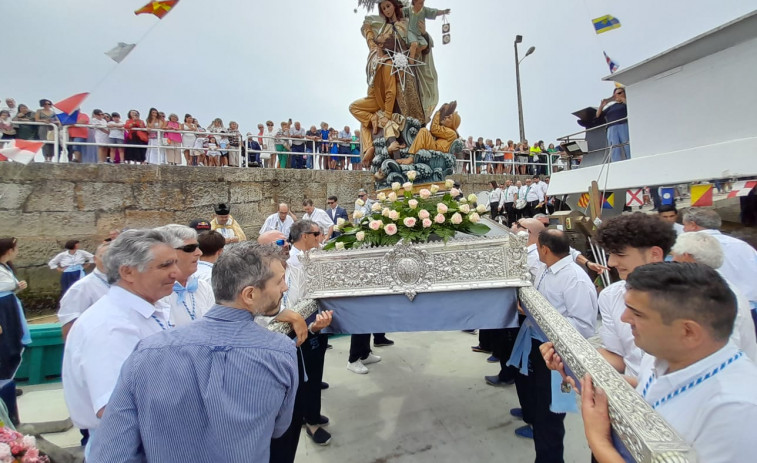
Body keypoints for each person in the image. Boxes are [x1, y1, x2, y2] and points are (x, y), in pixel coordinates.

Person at [89, 243, 300, 462]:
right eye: (279, 281)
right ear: (250, 294)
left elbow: (111, 452)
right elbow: (279, 428)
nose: (284, 288)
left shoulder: (147, 352)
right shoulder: (279, 352)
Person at [544, 263, 757, 463]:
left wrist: (598, 440)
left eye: (637, 313)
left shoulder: (738, 411)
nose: (624, 319)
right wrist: (582, 376)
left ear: (688, 331)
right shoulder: (660, 354)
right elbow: (656, 393)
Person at [62, 229, 180, 457]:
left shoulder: (142, 312)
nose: (175, 272)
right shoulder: (111, 327)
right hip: (131, 450)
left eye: (174, 263)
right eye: (165, 266)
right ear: (128, 272)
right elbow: (114, 410)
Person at [507, 230, 597, 460]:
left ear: (545, 249)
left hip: (557, 356)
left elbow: (584, 326)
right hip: (538, 344)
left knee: (551, 412)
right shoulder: (548, 268)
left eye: (536, 248)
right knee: (538, 399)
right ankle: (535, 422)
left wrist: (539, 317)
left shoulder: (574, 279)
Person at [595, 213, 676, 376]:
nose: (611, 263)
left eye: (620, 254)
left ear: (655, 254)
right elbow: (619, 359)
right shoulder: (610, 296)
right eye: (609, 254)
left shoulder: (692, 300)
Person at [671, 231, 757, 361]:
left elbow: (721, 350)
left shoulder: (716, 296)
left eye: (674, 260)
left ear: (686, 258)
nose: (672, 264)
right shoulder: (718, 287)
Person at [681, 208, 757, 313]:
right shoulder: (743, 246)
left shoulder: (690, 249)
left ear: (693, 225)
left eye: (684, 225)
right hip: (749, 308)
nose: (683, 229)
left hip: (716, 310)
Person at [156, 225, 215, 327]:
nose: (199, 253)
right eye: (190, 248)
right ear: (168, 252)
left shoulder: (203, 287)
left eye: (198, 247)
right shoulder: (155, 294)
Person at [0, 237, 30, 427]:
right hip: (3, 313)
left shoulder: (6, 267)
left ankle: (11, 414)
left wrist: (17, 288)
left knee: (13, 347)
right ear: (9, 249)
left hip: (9, 309)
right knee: (6, 351)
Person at [57, 242, 110, 340]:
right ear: (95, 259)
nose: (109, 260)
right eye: (104, 256)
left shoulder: (127, 282)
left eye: (114, 255)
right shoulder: (80, 288)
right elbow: (69, 325)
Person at [596, 87, 630, 162]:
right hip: (611, 127)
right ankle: (615, 161)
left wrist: (622, 98)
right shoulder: (611, 107)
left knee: (627, 144)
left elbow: (631, 106)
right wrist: (602, 105)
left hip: (623, 125)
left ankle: (630, 158)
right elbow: (598, 115)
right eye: (616, 94)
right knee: (614, 146)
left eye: (620, 93)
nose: (618, 95)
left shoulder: (626, 104)